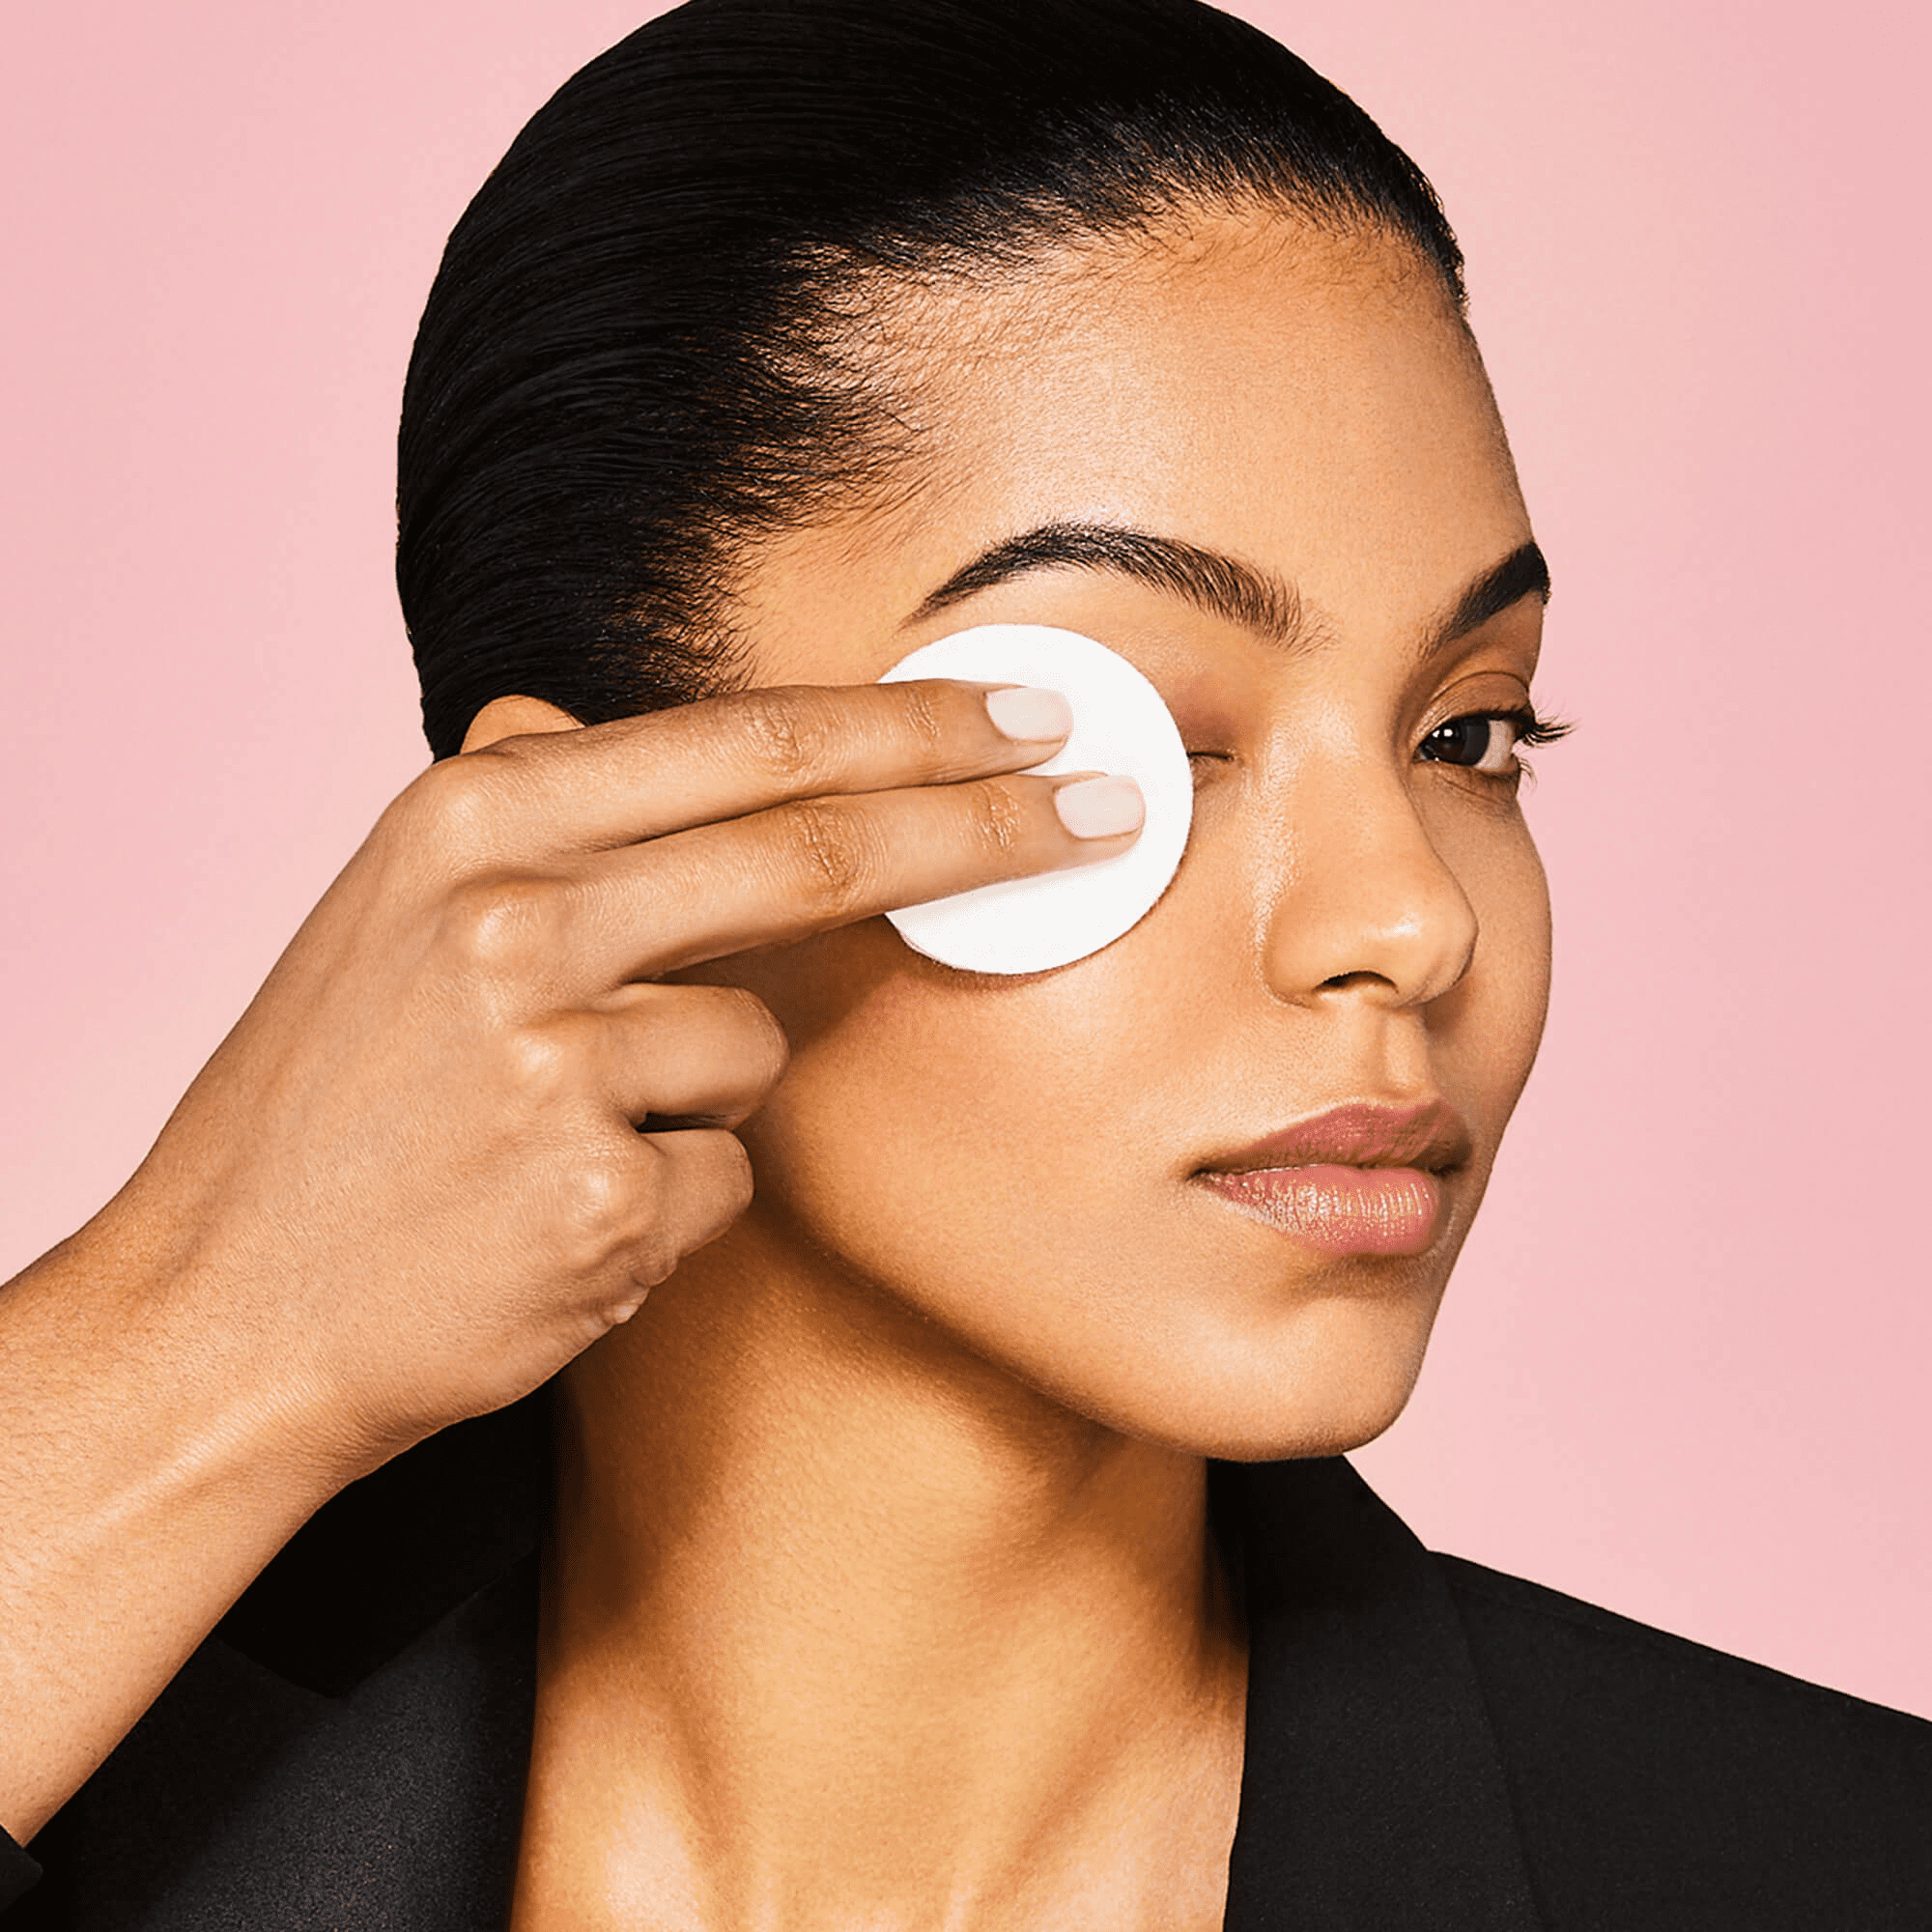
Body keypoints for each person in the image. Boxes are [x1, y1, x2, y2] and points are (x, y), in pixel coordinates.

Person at [3, 0, 1928, 1924]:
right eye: (1142, 746)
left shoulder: (1834, 1867)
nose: (1409, 920)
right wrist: (196, 1342)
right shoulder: (95, 1803)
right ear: (583, 835)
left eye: (1466, 735)